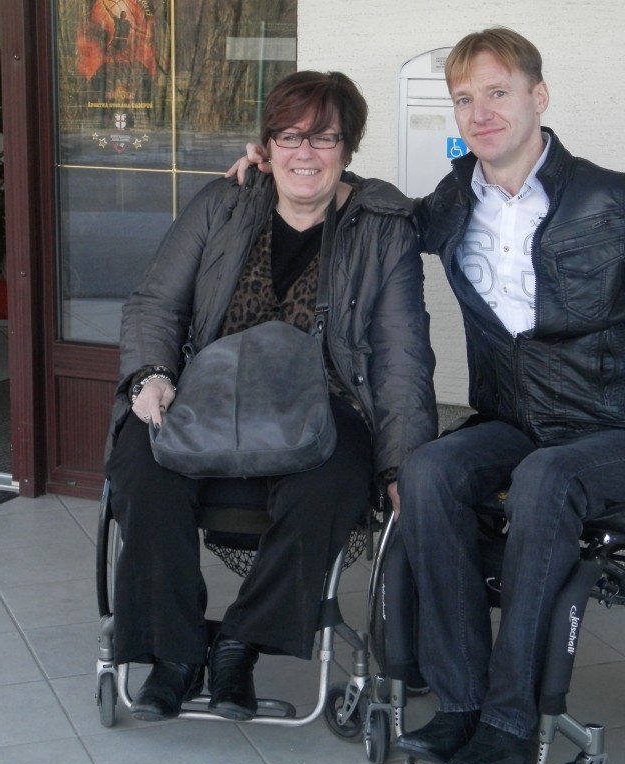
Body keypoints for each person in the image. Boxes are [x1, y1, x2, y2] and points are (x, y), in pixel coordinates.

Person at [227, 27, 625, 764]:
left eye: (498, 93)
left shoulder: (617, 201)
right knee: (427, 471)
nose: (480, 113)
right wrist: (289, 164)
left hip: (619, 427)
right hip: (513, 420)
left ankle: (509, 722)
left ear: (539, 96)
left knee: (545, 478)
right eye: (465, 99)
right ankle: (460, 702)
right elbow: (380, 214)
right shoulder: (454, 200)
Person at [105, 70, 437, 724]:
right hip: (208, 393)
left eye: (324, 137)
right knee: (143, 465)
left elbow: (403, 355)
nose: (304, 152)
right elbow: (155, 303)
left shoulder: (381, 227)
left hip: (326, 402)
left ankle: (240, 642)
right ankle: (175, 654)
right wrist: (151, 374)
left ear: (348, 147)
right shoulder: (224, 203)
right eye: (289, 135)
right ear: (267, 144)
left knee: (332, 483)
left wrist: (401, 462)